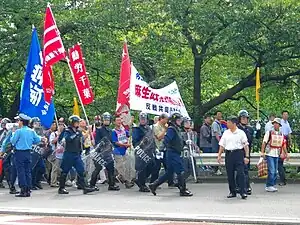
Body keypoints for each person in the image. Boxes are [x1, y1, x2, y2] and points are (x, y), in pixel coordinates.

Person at [149, 112, 193, 197]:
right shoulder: (172, 129)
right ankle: (183, 189)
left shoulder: (176, 128)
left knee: (169, 173)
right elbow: (166, 139)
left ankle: (154, 185)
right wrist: (161, 150)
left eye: (180, 120)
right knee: (180, 171)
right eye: (178, 120)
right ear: (174, 120)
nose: (180, 121)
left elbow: (177, 140)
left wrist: (185, 143)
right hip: (172, 153)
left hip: (174, 153)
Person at [58, 115, 94, 195]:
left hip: (77, 154)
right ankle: (61, 188)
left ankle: (84, 187)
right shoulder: (67, 131)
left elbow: (82, 139)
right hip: (69, 154)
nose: (78, 124)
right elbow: (67, 139)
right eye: (76, 122)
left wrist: (87, 132)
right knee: (65, 171)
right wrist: (76, 135)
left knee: (81, 170)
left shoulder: (78, 131)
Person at [10, 114, 44, 197]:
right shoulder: (31, 131)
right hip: (28, 152)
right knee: (27, 171)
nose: (18, 122)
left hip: (19, 153)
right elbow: (37, 140)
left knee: (20, 171)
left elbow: (13, 141)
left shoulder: (18, 131)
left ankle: (23, 189)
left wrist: (13, 133)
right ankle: (28, 189)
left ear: (22, 122)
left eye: (19, 121)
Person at [217, 116, 249, 200]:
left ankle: (243, 191)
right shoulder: (226, 133)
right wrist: (219, 155)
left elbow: (246, 145)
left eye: (229, 123)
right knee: (230, 174)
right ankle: (232, 191)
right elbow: (222, 145)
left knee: (240, 173)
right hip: (229, 154)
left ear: (234, 123)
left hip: (238, 153)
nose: (227, 124)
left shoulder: (241, 132)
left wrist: (247, 156)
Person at [90, 112, 120, 191]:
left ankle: (111, 185)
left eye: (108, 119)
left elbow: (111, 141)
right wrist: (101, 145)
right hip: (100, 153)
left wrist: (116, 145)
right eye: (105, 119)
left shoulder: (110, 131)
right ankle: (92, 185)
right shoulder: (99, 130)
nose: (106, 121)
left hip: (108, 153)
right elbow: (97, 141)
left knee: (111, 168)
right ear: (103, 120)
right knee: (98, 168)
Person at [261, 118, 289, 192]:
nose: (275, 125)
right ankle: (269, 185)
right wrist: (262, 152)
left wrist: (286, 153)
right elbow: (264, 142)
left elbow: (283, 144)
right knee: (272, 170)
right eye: (274, 123)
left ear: (279, 125)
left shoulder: (280, 133)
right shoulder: (269, 132)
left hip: (277, 153)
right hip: (269, 153)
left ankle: (271, 184)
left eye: (277, 123)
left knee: (275, 171)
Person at [236, 110, 259, 195]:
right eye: (243, 118)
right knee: (241, 170)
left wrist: (258, 130)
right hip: (239, 151)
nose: (245, 119)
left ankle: (242, 186)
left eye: (246, 118)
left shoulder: (250, 129)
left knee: (245, 169)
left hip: (247, 151)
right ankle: (244, 186)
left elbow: (256, 138)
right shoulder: (237, 128)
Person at [132, 112, 156, 192]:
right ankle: (142, 185)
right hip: (141, 151)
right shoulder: (137, 129)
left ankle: (139, 180)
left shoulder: (149, 128)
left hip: (149, 151)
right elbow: (135, 141)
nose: (143, 120)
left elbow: (152, 139)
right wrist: (141, 145)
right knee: (142, 168)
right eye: (141, 119)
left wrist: (155, 148)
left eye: (144, 119)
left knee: (153, 166)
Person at [151, 113, 170, 184]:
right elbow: (159, 137)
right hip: (158, 149)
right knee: (157, 166)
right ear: (161, 119)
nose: (167, 121)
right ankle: (153, 181)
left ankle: (170, 181)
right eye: (166, 119)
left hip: (165, 148)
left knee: (168, 165)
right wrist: (165, 130)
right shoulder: (156, 127)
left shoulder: (164, 126)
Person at [29, 117, 47, 190]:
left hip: (39, 152)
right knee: (33, 168)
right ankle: (31, 184)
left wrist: (45, 142)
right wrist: (40, 142)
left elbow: (43, 140)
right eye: (36, 123)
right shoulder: (30, 131)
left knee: (42, 168)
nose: (38, 124)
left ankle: (37, 181)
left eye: (38, 122)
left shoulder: (41, 131)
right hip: (33, 151)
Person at [279, 111, 292, 186]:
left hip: (285, 141)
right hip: (279, 140)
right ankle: (282, 178)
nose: (286, 116)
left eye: (287, 114)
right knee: (280, 161)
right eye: (284, 114)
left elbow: (289, 133)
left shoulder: (287, 123)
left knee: (280, 161)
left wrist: (290, 141)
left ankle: (282, 178)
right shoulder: (280, 123)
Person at [0, 118, 12, 188]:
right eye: (3, 123)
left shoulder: (11, 132)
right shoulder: (1, 131)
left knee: (6, 167)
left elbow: (10, 143)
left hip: (8, 151)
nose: (4, 125)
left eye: (5, 123)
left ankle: (10, 184)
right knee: (2, 167)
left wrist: (5, 151)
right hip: (1, 150)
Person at [211, 111, 223, 175]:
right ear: (215, 116)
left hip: (219, 138)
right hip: (216, 139)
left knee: (219, 153)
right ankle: (215, 169)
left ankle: (218, 168)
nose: (220, 115)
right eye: (218, 114)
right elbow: (216, 133)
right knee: (216, 152)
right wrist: (220, 141)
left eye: (220, 114)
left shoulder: (219, 123)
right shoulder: (215, 123)